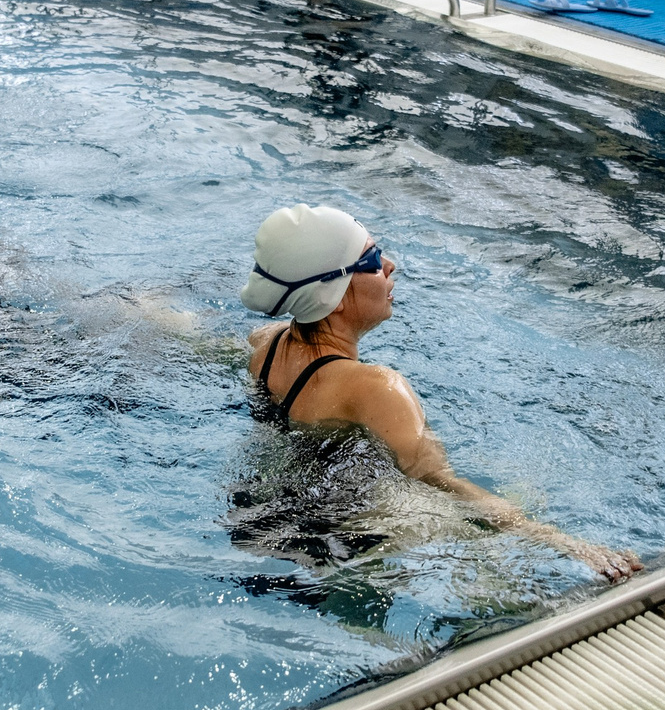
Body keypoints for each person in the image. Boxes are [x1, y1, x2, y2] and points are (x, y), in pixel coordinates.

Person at [240, 204, 641, 581]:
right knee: (506, 518)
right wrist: (563, 543)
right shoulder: (378, 387)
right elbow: (440, 480)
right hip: (341, 541)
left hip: (259, 521)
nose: (390, 265)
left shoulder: (266, 346)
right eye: (372, 260)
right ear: (337, 295)